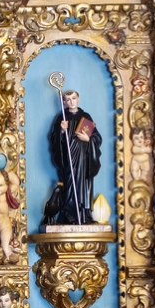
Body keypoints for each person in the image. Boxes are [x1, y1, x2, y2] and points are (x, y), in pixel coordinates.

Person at [43, 90, 101, 226]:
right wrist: (62, 131)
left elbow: (97, 137)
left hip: (83, 159)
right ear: (64, 102)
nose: (71, 102)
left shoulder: (85, 116)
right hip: (70, 157)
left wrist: (88, 139)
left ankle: (84, 214)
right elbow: (54, 138)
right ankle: (69, 214)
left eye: (74, 98)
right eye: (68, 99)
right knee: (70, 184)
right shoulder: (62, 117)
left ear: (78, 99)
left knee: (83, 185)